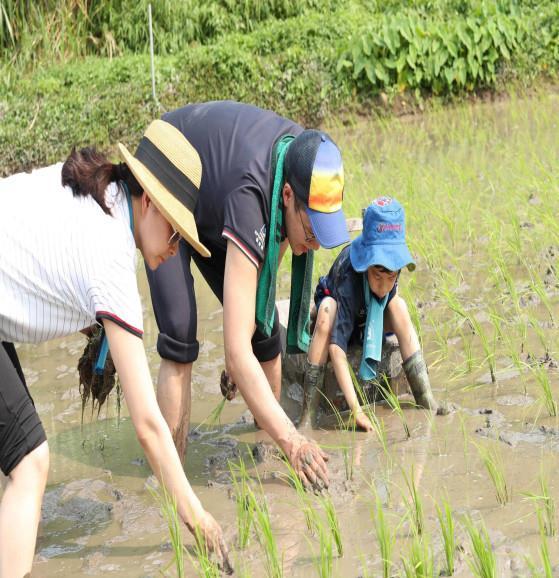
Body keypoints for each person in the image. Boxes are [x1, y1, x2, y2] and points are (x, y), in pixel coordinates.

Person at [0, 120, 231, 578]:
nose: (174, 249)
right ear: (147, 201)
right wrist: (197, 517)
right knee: (30, 462)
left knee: (14, 457)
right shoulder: (111, 259)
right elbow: (147, 425)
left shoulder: (96, 192)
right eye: (173, 232)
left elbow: (42, 263)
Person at [143, 100, 350, 490]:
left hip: (214, 197)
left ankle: (266, 457)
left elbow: (263, 284)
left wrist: (242, 346)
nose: (316, 244)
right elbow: (239, 354)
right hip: (167, 172)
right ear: (288, 195)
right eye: (312, 230)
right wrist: (294, 439)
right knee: (180, 334)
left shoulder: (301, 156)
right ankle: (173, 484)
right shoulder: (253, 194)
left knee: (265, 334)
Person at [298, 196, 439, 431]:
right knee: (326, 311)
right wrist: (357, 410)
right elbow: (336, 349)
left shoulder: (390, 271)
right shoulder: (349, 278)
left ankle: (425, 399)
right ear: (366, 265)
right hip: (341, 311)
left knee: (399, 306)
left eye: (391, 277)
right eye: (377, 276)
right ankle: (307, 417)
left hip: (368, 319)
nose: (384, 286)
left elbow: (390, 297)